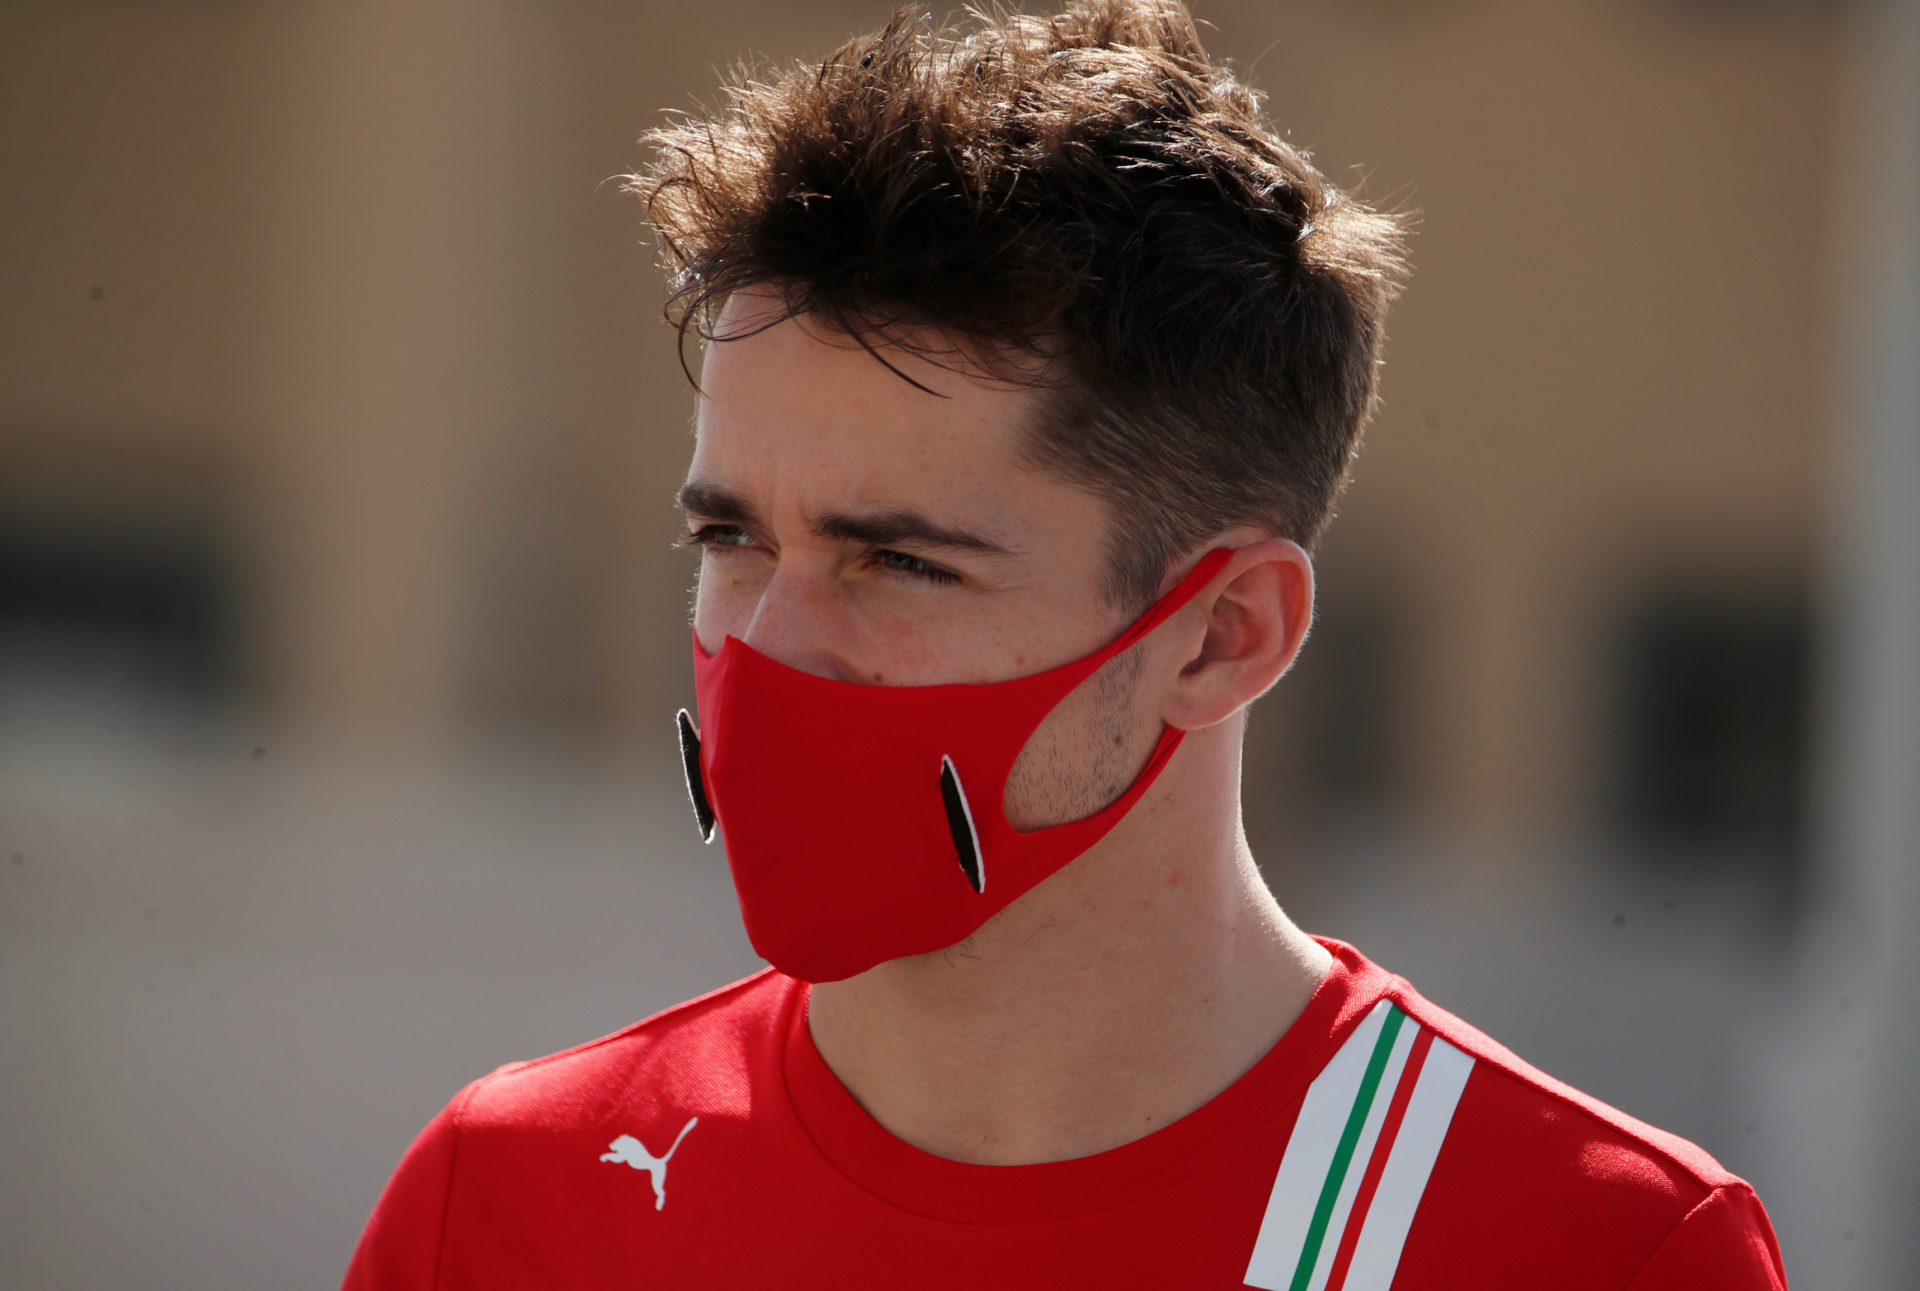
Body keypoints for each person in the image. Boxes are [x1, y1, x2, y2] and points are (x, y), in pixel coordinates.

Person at [342, 2, 1788, 1286]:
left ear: (1223, 636)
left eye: (898, 561)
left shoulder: (1594, 1251)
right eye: (733, 541)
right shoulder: (511, 1205)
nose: (770, 651)